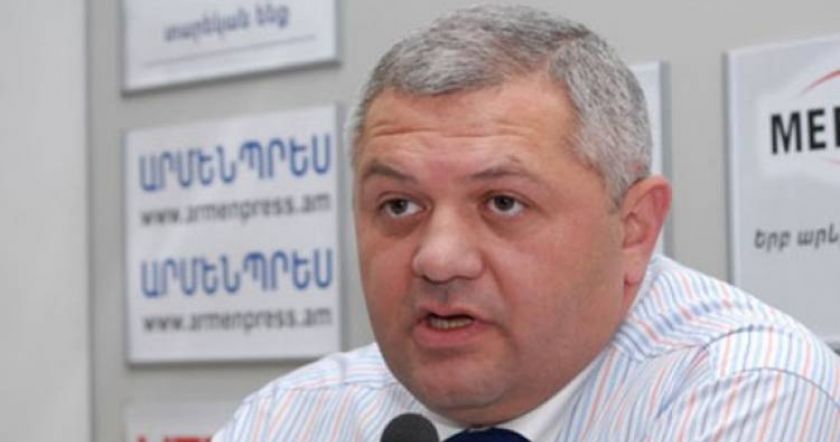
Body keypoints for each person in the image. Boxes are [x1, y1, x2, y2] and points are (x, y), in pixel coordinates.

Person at [214, 5, 840, 441]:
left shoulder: (752, 388)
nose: (438, 259)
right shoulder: (287, 418)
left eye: (502, 203)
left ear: (633, 229)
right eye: (399, 206)